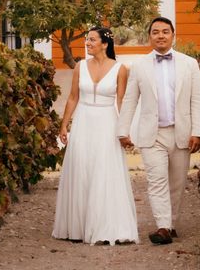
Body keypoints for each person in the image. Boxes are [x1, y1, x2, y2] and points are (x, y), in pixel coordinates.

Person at [117, 17, 200, 245]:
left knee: (177, 182)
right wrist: (123, 130)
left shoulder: (190, 64)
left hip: (181, 132)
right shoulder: (139, 66)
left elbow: (197, 100)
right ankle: (163, 227)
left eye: (165, 31)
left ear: (173, 35)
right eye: (155, 32)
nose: (161, 36)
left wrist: (198, 131)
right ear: (149, 37)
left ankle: (172, 223)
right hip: (152, 134)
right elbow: (129, 100)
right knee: (157, 181)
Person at [52, 26, 139, 245]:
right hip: (83, 121)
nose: (87, 43)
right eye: (87, 40)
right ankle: (78, 227)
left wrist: (125, 130)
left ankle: (106, 226)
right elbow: (73, 97)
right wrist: (64, 126)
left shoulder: (120, 69)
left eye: (92, 39)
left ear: (105, 44)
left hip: (107, 123)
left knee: (104, 170)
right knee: (81, 169)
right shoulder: (80, 66)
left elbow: (121, 102)